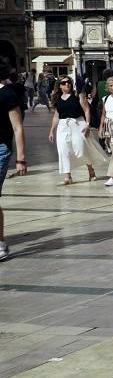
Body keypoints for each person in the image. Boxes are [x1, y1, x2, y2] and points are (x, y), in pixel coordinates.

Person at [49, 76, 102, 184]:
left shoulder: (78, 95)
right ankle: (67, 176)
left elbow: (87, 110)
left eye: (69, 82)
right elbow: (56, 116)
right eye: (63, 83)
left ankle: (90, 169)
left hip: (78, 123)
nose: (67, 84)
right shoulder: (57, 99)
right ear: (59, 86)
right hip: (63, 126)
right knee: (63, 150)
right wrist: (51, 130)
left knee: (80, 148)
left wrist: (87, 124)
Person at [0, 63, 29, 262]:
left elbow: (18, 128)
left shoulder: (7, 95)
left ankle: (0, 243)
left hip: (1, 148)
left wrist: (21, 158)